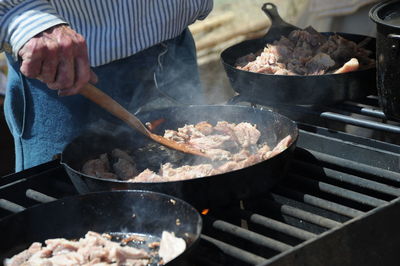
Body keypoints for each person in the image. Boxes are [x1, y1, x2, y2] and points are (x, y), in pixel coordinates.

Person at [1, 0, 213, 172]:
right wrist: (25, 17)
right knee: (68, 212)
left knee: (198, 196)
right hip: (67, 71)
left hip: (174, 53)